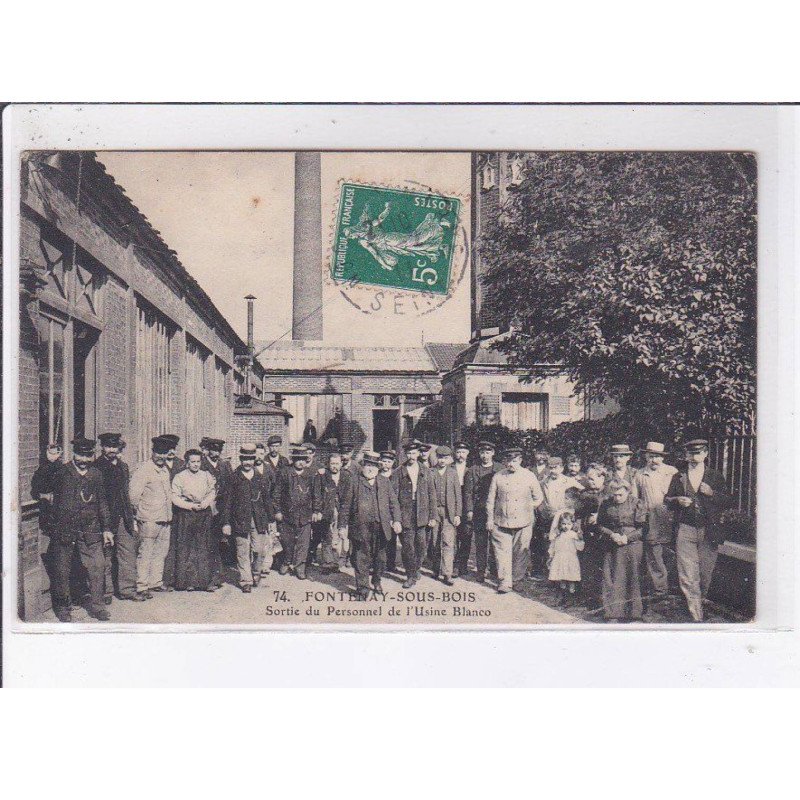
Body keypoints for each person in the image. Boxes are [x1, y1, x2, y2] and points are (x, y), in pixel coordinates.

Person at [665, 438, 732, 622]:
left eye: (697, 453)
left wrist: (712, 493)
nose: (694, 457)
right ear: (686, 455)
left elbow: (728, 501)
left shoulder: (715, 476)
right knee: (687, 573)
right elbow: (667, 501)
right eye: (690, 453)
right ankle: (696, 614)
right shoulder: (679, 477)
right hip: (685, 529)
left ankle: (699, 602)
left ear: (705, 454)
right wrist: (677, 500)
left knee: (705, 572)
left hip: (708, 531)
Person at [49, 438, 114, 622]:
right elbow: (41, 487)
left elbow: (102, 503)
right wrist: (49, 462)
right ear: (74, 454)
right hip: (65, 529)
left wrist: (107, 528)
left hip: (91, 529)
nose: (84, 460)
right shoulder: (62, 472)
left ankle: (98, 606)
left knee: (97, 566)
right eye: (80, 455)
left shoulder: (96, 474)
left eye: (88, 456)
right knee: (62, 570)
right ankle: (63, 607)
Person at [339, 451, 402, 598]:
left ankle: (376, 580)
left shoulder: (384, 482)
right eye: (367, 465)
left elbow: (394, 504)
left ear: (378, 468)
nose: (370, 469)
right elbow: (345, 506)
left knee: (380, 558)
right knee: (361, 558)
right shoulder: (354, 481)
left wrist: (397, 520)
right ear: (362, 466)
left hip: (381, 527)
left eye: (373, 466)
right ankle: (363, 589)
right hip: (360, 527)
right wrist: (342, 526)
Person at [486, 447, 544, 594]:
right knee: (502, 552)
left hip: (524, 522)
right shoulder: (498, 476)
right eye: (508, 461)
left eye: (514, 461)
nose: (511, 464)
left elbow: (538, 498)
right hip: (501, 521)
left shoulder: (529, 476)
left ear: (520, 460)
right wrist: (490, 519)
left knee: (520, 553)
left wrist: (527, 507)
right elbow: (490, 500)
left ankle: (517, 580)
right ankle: (504, 582)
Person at [221, 444, 274, 592]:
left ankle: (256, 572)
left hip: (259, 519)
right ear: (240, 459)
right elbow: (227, 502)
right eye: (244, 459)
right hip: (240, 520)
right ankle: (245, 581)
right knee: (242, 550)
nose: (247, 463)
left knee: (259, 549)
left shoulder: (260, 477)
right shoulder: (233, 478)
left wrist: (271, 520)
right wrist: (226, 522)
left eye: (250, 459)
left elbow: (267, 499)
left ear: (254, 459)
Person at [93, 433, 138, 603]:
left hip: (123, 516)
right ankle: (106, 592)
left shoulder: (123, 466)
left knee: (127, 551)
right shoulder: (96, 467)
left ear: (119, 448)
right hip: (104, 517)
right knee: (105, 554)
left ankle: (128, 590)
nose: (111, 450)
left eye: (114, 446)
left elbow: (125, 493)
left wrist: (131, 517)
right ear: (102, 447)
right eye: (108, 446)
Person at [633, 442, 678, 610]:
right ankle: (660, 592)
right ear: (646, 457)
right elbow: (635, 499)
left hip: (671, 518)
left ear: (663, 457)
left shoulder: (672, 472)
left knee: (672, 553)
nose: (654, 460)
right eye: (651, 456)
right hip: (651, 520)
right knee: (654, 555)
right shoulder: (640, 475)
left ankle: (672, 587)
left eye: (658, 456)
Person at [596, 478, 647, 622]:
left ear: (627, 492)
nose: (617, 498)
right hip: (612, 544)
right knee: (611, 578)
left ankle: (635, 614)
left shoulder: (637, 503)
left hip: (632, 545)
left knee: (633, 577)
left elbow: (643, 528)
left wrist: (628, 538)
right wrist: (611, 534)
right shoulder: (606, 504)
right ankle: (613, 613)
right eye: (615, 495)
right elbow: (600, 525)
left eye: (620, 495)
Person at [129, 435, 174, 597]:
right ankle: (142, 585)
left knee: (160, 552)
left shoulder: (164, 470)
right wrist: (140, 515)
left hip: (165, 518)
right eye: (158, 453)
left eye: (164, 453)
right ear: (152, 452)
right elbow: (133, 497)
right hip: (149, 519)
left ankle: (155, 582)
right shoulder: (144, 470)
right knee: (145, 552)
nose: (161, 456)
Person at [391, 440, 438, 588]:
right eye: (409, 453)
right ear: (405, 454)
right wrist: (396, 518)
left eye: (414, 453)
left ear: (419, 453)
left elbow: (432, 495)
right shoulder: (398, 472)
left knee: (421, 544)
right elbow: (393, 497)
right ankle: (410, 575)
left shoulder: (426, 471)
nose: (411, 456)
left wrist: (433, 516)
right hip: (406, 513)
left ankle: (417, 568)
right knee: (407, 546)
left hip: (422, 513)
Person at [171, 448, 216, 592]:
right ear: (187, 462)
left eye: (198, 461)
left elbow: (212, 491)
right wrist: (189, 506)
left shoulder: (206, 475)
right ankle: (188, 582)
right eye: (193, 462)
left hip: (204, 514)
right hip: (187, 514)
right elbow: (175, 496)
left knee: (203, 546)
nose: (196, 464)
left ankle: (204, 582)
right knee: (187, 548)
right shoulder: (180, 477)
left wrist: (206, 503)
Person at [463, 440, 503, 583]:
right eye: (482, 452)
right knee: (480, 543)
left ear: (493, 453)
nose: (485, 456)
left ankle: (494, 570)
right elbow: (467, 493)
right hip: (479, 510)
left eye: (488, 452)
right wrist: (469, 510)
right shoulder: (473, 470)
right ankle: (481, 571)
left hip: (496, 510)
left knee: (496, 542)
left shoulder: (500, 469)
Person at [273, 446, 315, 579]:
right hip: (287, 514)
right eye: (298, 460)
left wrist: (316, 510)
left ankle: (299, 566)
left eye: (303, 460)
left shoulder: (310, 474)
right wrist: (277, 510)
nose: (300, 463)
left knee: (304, 543)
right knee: (287, 541)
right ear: (293, 460)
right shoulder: (284, 472)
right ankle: (287, 561)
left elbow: (316, 495)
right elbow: (276, 494)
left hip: (305, 514)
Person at [200, 437, 232, 588]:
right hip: (205, 509)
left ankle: (216, 577)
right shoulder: (201, 465)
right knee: (205, 544)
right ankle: (206, 578)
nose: (216, 453)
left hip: (221, 509)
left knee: (218, 544)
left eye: (218, 451)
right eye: (214, 450)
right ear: (208, 450)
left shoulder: (225, 466)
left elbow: (229, 488)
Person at [313, 451, 352, 572]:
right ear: (328, 464)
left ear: (341, 464)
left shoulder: (346, 476)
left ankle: (338, 560)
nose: (335, 466)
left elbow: (348, 496)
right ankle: (328, 562)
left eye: (337, 463)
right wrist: (317, 510)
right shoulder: (322, 475)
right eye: (332, 463)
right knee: (326, 535)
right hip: (326, 510)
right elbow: (317, 494)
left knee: (340, 536)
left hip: (341, 510)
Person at [429, 445, 462, 585]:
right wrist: (430, 514)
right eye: (440, 457)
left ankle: (447, 573)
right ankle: (436, 569)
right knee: (435, 541)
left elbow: (458, 495)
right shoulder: (430, 472)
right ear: (436, 457)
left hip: (449, 513)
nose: (442, 461)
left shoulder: (453, 473)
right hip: (435, 511)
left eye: (445, 458)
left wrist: (458, 514)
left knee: (448, 541)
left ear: (449, 459)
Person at [161, 433, 184, 591]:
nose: (171, 452)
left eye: (173, 448)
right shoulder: (158, 464)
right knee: (164, 546)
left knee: (178, 544)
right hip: (162, 510)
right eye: (167, 449)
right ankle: (164, 579)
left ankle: (179, 578)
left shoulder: (181, 465)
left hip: (179, 511)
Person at [547, 508, 584, 602]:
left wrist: (579, 539)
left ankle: (571, 598)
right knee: (562, 578)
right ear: (560, 524)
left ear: (572, 524)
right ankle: (563, 597)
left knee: (571, 578)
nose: (566, 526)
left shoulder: (573, 535)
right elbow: (553, 547)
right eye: (563, 524)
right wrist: (551, 556)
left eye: (568, 524)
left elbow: (580, 547)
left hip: (570, 558)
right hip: (560, 558)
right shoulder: (558, 535)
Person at [452, 440, 471, 578]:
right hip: (452, 503)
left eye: (463, 452)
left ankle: (462, 565)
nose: (460, 455)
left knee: (466, 536)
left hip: (466, 504)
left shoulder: (471, 468)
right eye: (458, 452)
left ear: (467, 453)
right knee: (452, 535)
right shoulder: (449, 467)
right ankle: (453, 565)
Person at [377, 450, 399, 571]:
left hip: (392, 511)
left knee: (392, 539)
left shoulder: (396, 476)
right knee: (380, 538)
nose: (386, 464)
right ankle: (378, 564)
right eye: (384, 461)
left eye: (388, 462)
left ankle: (391, 563)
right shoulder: (376, 475)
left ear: (393, 462)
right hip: (381, 511)